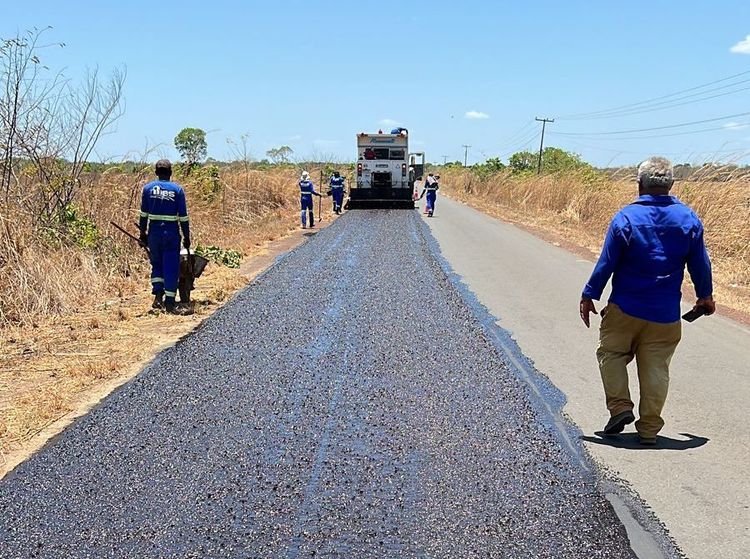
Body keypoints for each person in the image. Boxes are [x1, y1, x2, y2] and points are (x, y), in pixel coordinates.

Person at [579, 156, 714, 445]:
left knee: (611, 354)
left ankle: (620, 407)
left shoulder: (626, 218)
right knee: (656, 368)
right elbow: (700, 265)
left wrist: (590, 294)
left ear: (639, 184)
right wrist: (705, 296)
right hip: (665, 314)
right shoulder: (689, 219)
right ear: (671, 185)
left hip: (624, 309)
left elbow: (607, 263)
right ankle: (650, 430)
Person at [139, 159, 190, 314]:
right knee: (171, 267)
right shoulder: (177, 190)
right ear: (170, 173)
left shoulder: (148, 189)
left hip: (154, 234)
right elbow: (183, 217)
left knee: (157, 265)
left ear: (156, 173)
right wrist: (187, 237)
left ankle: (158, 296)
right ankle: (169, 303)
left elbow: (143, 215)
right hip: (171, 235)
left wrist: (143, 234)